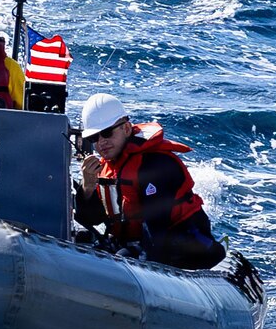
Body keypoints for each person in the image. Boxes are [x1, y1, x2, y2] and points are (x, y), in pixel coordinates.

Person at [74, 93, 226, 270]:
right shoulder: (106, 168)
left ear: (126, 129)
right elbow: (92, 219)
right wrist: (88, 187)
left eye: (107, 133)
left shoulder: (155, 165)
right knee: (85, 242)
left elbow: (156, 230)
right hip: (139, 242)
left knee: (124, 256)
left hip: (180, 239)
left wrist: (136, 264)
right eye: (94, 138)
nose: (101, 142)